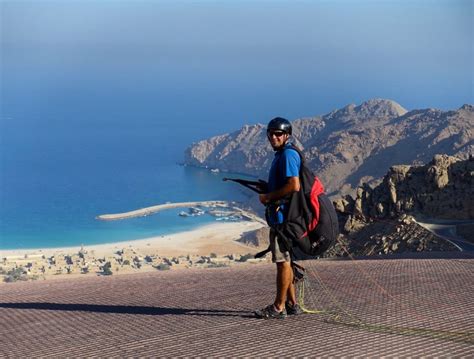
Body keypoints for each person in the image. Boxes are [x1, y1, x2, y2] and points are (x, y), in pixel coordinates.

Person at [254, 117, 303, 319]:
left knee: (282, 262)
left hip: (283, 218)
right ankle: (292, 304)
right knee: (287, 262)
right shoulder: (281, 154)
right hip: (280, 218)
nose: (274, 137)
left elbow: (294, 185)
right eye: (271, 133)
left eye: (278, 134)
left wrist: (268, 196)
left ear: (287, 135)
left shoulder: (288, 155)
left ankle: (278, 307)